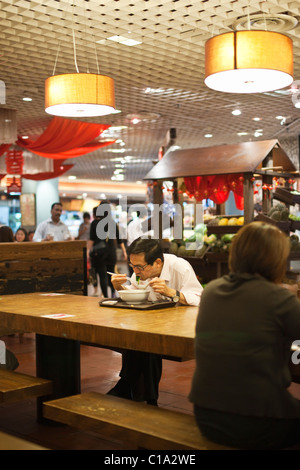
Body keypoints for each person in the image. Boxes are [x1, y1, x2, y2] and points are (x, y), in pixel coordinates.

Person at [189, 221, 300, 450]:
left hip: (206, 416)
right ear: (276, 260)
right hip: (258, 422)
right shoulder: (279, 299)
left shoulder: (211, 291)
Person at [110, 236, 203, 405]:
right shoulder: (140, 272)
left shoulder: (179, 267)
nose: (136, 272)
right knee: (141, 338)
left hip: (182, 325)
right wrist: (120, 288)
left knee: (146, 340)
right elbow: (135, 291)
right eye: (132, 266)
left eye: (139, 267)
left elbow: (200, 298)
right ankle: (147, 397)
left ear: (158, 263)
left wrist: (172, 293)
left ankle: (126, 386)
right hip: (155, 322)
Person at [88, 202, 127, 298]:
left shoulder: (94, 223)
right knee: (111, 275)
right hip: (111, 252)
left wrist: (88, 252)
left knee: (102, 276)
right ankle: (113, 294)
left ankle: (105, 296)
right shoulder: (112, 222)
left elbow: (91, 240)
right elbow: (119, 240)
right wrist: (124, 252)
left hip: (99, 253)